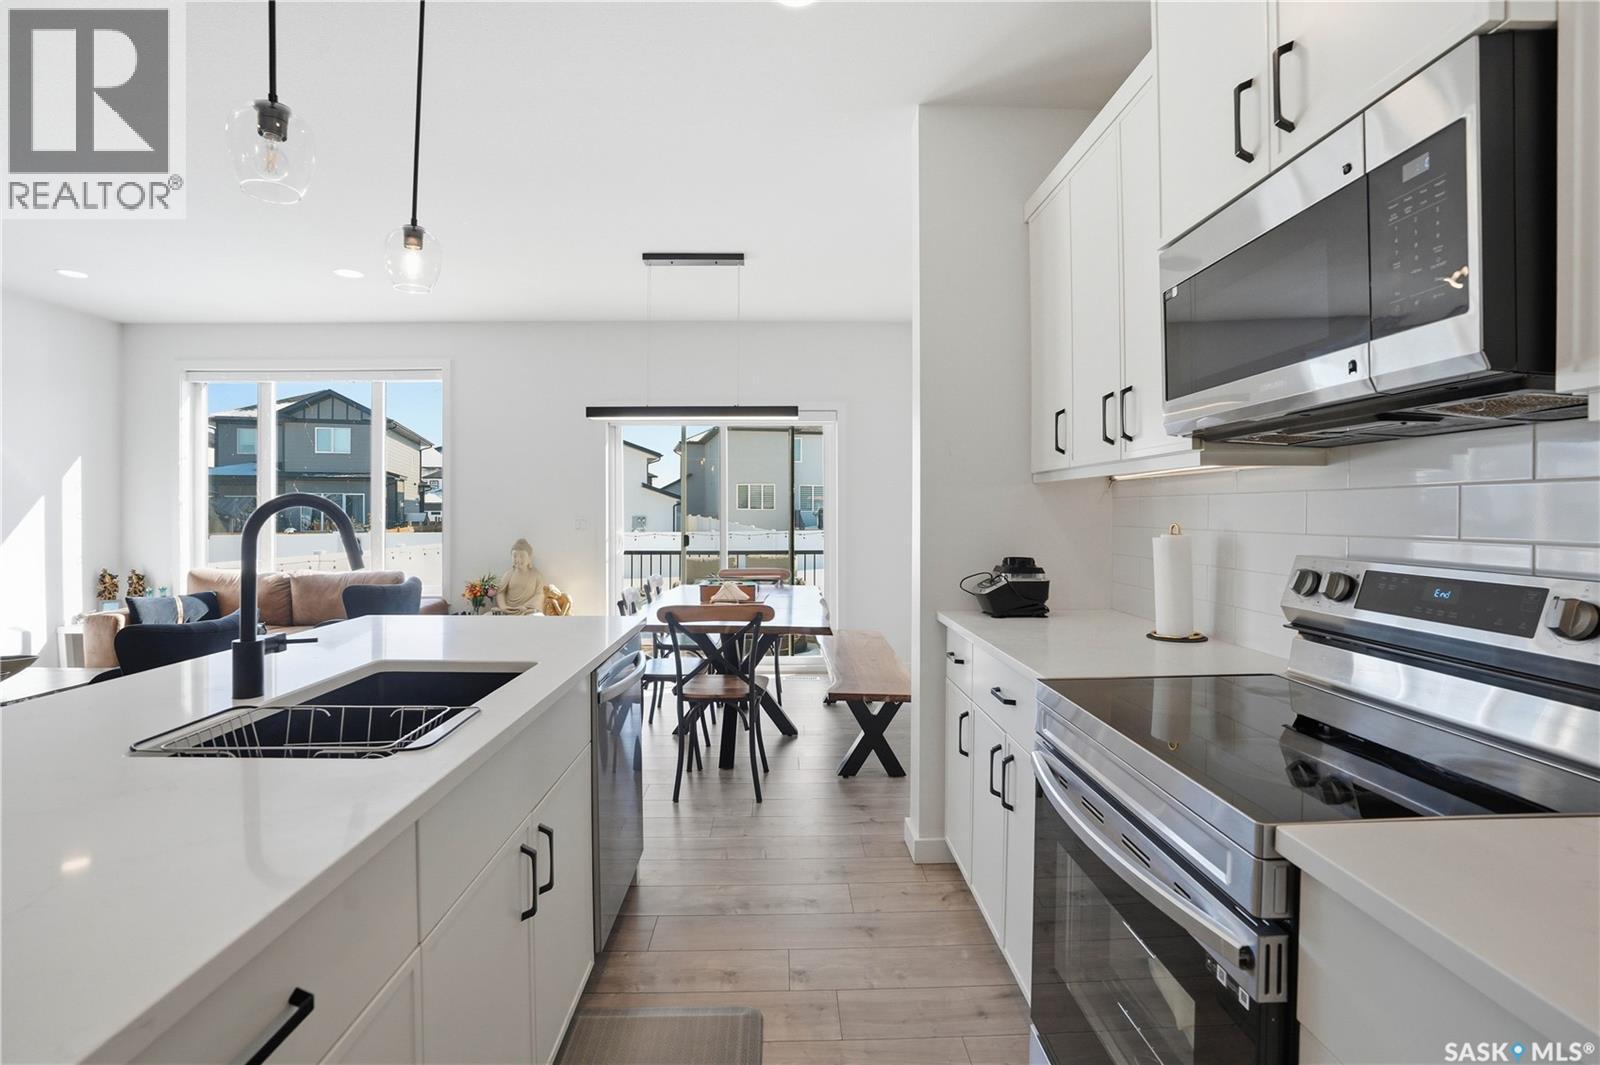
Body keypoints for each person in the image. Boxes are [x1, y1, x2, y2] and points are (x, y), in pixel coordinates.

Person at [494, 538, 547, 615]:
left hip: (527, 610)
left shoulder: (536, 576)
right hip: (509, 610)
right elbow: (500, 592)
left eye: (522, 556)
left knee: (536, 616)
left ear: (529, 558)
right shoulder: (508, 574)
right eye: (515, 556)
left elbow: (540, 595)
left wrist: (526, 606)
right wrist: (503, 607)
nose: (518, 559)